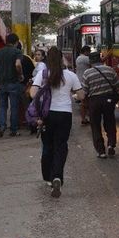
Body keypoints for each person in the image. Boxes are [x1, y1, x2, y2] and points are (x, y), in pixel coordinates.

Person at [30, 46, 85, 198]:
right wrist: (71, 96)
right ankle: (57, 176)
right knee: (61, 146)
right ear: (62, 58)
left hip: (47, 115)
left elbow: (33, 92)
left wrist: (42, 97)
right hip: (64, 115)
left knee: (47, 145)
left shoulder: (43, 73)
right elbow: (81, 95)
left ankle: (48, 177)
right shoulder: (71, 75)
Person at [81, 51, 119, 158]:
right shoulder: (110, 70)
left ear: (90, 61)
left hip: (94, 102)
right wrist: (117, 98)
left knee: (95, 125)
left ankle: (101, 151)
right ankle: (111, 145)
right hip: (108, 100)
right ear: (100, 60)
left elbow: (84, 92)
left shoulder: (87, 73)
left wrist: (85, 104)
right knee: (110, 122)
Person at [0, 33, 24, 137]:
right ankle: (13, 130)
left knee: (3, 107)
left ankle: (1, 127)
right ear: (16, 42)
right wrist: (20, 75)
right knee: (14, 107)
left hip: (1, 83)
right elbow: (18, 64)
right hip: (13, 83)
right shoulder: (17, 51)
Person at [75, 46, 91, 125]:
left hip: (80, 81)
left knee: (84, 101)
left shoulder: (78, 58)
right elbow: (96, 62)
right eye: (89, 51)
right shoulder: (85, 58)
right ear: (86, 51)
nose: (90, 53)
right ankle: (84, 118)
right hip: (84, 81)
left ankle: (84, 118)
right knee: (84, 102)